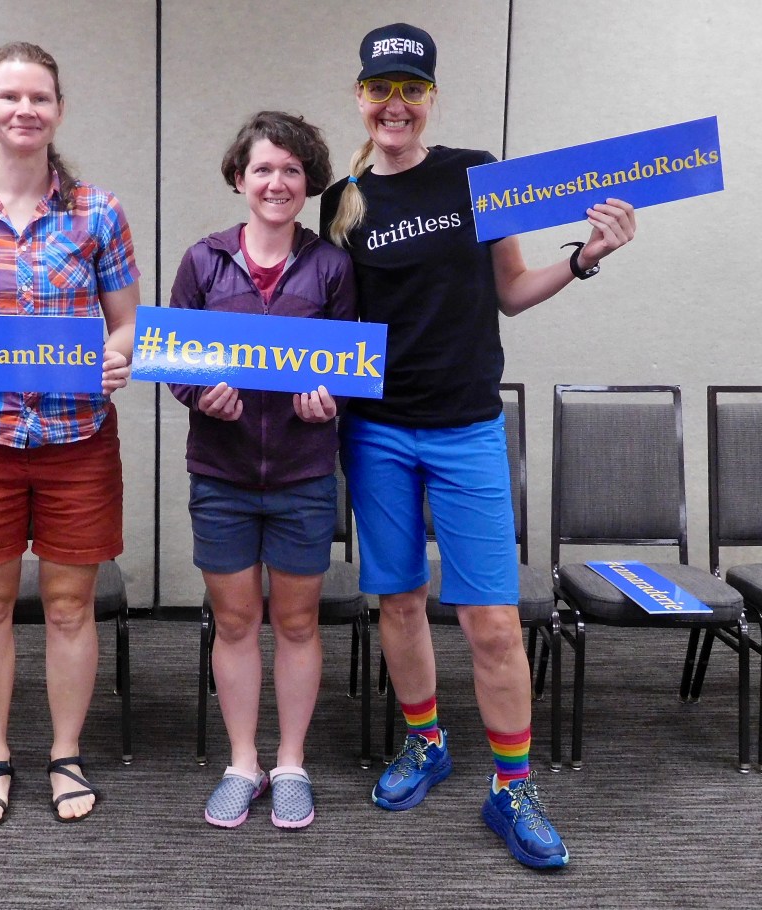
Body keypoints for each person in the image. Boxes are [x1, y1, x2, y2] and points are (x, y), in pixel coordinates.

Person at [320, 23, 635, 868]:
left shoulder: (478, 175)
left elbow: (512, 292)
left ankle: (512, 787)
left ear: (431, 98)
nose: (394, 104)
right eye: (380, 88)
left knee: (491, 618)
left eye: (410, 89)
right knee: (398, 600)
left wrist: (586, 257)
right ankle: (426, 741)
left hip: (465, 428)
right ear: (360, 96)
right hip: (376, 432)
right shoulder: (341, 199)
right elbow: (334, 324)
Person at [0, 42, 140, 825]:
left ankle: (65, 755)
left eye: (39, 97)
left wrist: (118, 355)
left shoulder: (98, 212)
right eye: (9, 96)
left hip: (78, 441)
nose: (24, 110)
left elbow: (126, 324)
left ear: (59, 110)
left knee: (71, 606)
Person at [168, 111, 356, 829]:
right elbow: (177, 364)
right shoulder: (203, 261)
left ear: (309, 182)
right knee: (236, 620)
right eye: (263, 169)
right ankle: (242, 763)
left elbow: (348, 366)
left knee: (298, 622)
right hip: (221, 477)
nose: (277, 182)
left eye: (292, 170)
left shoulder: (332, 267)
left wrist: (329, 400)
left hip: (304, 476)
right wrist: (200, 395)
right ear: (239, 178)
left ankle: (291, 763)